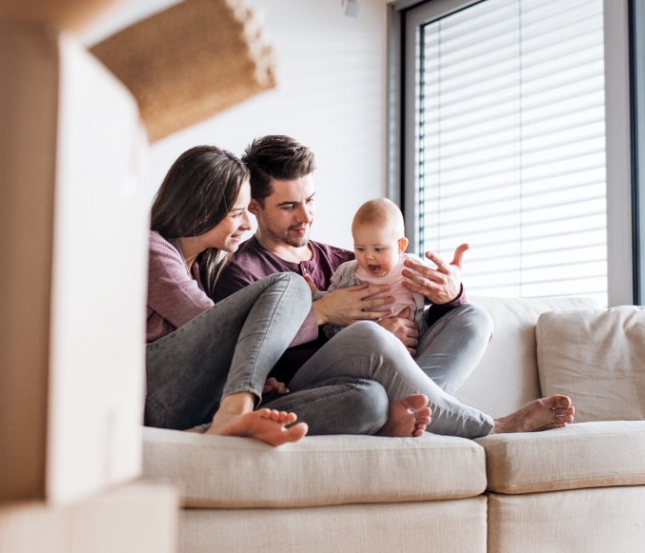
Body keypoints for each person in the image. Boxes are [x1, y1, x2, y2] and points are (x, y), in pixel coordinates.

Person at [211, 135, 576, 438]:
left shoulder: (348, 258)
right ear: (255, 207)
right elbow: (248, 356)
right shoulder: (242, 273)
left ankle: (407, 413)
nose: (306, 216)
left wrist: (449, 295)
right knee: (369, 345)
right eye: (289, 205)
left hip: (381, 377)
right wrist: (324, 317)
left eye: (309, 200)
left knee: (473, 319)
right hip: (314, 386)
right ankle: (491, 426)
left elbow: (418, 300)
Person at [145, 146, 403, 445]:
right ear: (201, 209)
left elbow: (216, 349)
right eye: (237, 214)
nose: (246, 224)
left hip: (195, 405)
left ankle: (215, 426)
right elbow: (216, 328)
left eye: (310, 200)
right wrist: (320, 313)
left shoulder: (202, 269)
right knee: (289, 284)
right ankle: (234, 409)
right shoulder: (152, 249)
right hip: (156, 400)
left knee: (367, 400)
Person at [320, 198, 426, 335]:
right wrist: (315, 295)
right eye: (360, 249)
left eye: (378, 249)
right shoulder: (348, 272)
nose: (368, 256)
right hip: (364, 344)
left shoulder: (413, 267)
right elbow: (330, 301)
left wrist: (448, 286)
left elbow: (434, 292)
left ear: (400, 246)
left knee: (462, 316)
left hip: (413, 340)